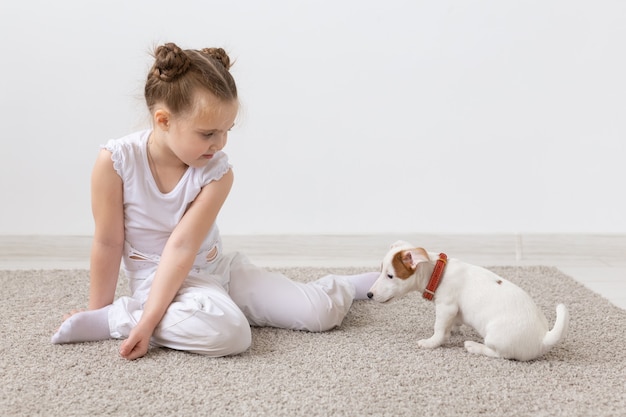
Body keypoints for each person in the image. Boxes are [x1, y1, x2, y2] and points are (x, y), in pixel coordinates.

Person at [51, 42, 379, 360]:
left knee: (321, 313)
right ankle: (120, 316)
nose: (219, 143)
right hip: (159, 282)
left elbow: (185, 246)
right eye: (208, 133)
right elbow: (108, 243)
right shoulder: (115, 162)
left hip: (218, 270)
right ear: (164, 120)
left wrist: (148, 321)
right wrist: (101, 311)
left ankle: (345, 286)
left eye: (227, 131)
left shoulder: (218, 173)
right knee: (231, 335)